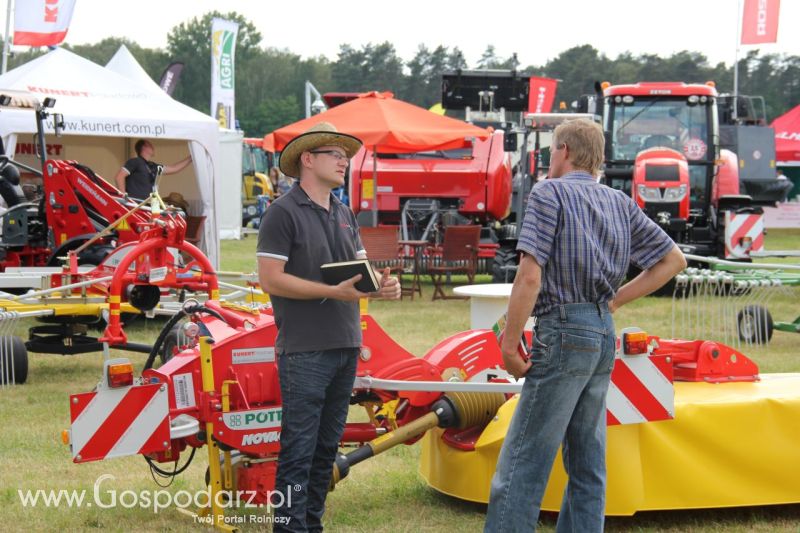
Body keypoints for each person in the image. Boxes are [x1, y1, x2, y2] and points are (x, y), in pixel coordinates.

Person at [484, 119, 687, 533]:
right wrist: (614, 300)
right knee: (588, 459)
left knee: (525, 458)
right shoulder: (619, 202)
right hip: (600, 329)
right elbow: (673, 261)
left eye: (552, 152)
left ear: (563, 151)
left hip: (561, 330)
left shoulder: (548, 192)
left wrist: (508, 343)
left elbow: (529, 275)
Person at [256, 122, 401, 532]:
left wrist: (382, 284)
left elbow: (359, 272)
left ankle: (311, 527)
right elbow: (270, 279)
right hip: (305, 349)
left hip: (345, 344)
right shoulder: (281, 213)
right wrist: (331, 292)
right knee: (298, 451)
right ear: (307, 159)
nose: (344, 161)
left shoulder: (342, 211)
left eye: (345, 155)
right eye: (334, 154)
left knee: (324, 451)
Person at [113, 139, 192, 201]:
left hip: (147, 204)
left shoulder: (153, 166)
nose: (153, 147)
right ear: (144, 147)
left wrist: (191, 157)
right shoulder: (135, 161)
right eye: (150, 145)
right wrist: (124, 198)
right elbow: (119, 177)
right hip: (134, 204)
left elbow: (174, 168)